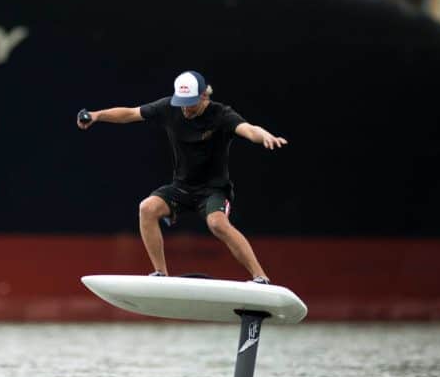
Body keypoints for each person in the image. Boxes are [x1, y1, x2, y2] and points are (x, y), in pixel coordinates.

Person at [77, 70, 287, 282]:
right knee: (147, 208)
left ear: (205, 95)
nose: (185, 108)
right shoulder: (169, 107)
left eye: (191, 103)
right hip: (182, 187)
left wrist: (264, 136)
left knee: (217, 223)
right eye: (182, 102)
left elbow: (248, 129)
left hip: (213, 190)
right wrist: (97, 115)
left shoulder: (221, 115)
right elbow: (131, 113)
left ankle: (261, 277)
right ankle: (161, 273)